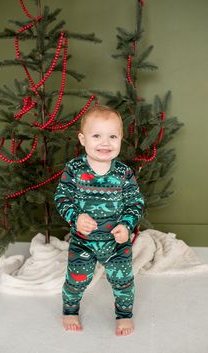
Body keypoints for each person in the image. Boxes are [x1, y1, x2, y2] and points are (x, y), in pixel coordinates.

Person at [54, 105, 144, 336]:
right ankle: (70, 310)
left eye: (112, 136)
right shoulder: (74, 169)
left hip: (116, 244)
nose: (105, 143)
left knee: (123, 282)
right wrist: (76, 217)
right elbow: (62, 197)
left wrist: (126, 224)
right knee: (76, 280)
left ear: (121, 139)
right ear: (83, 139)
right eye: (97, 136)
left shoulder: (123, 173)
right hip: (83, 242)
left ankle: (124, 316)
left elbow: (135, 203)